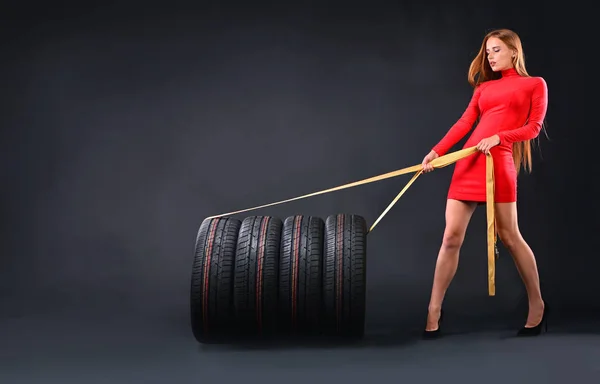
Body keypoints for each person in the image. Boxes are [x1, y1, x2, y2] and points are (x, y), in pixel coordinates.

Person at [420, 28, 549, 338]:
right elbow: (465, 123)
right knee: (451, 237)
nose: (490, 56)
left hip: (499, 162)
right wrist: (436, 152)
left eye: (496, 50)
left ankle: (537, 304)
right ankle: (433, 310)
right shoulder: (482, 89)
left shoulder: (534, 85)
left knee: (509, 236)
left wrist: (499, 137)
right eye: (488, 51)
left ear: (514, 52)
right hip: (468, 162)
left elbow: (533, 128)